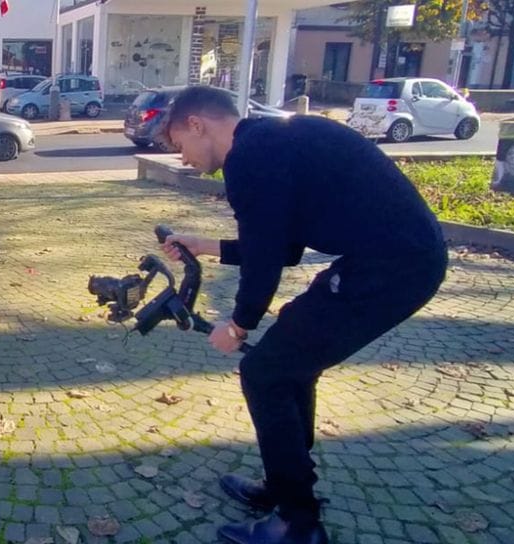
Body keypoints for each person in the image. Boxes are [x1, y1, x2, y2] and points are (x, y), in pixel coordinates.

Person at [157, 87, 447, 544]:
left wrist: (238, 326)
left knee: (265, 372)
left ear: (197, 124)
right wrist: (207, 245)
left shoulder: (250, 157)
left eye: (179, 145)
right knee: (289, 364)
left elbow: (269, 258)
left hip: (392, 268)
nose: (183, 158)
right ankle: (285, 485)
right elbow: (285, 247)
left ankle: (298, 523)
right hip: (393, 260)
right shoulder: (268, 142)